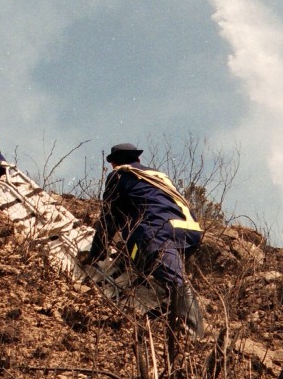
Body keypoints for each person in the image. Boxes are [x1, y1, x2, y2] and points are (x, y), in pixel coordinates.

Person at [84, 143, 204, 339]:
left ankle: (193, 338)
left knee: (175, 281)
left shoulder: (120, 175)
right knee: (146, 260)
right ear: (138, 159)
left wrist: (96, 253)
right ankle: (166, 303)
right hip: (189, 232)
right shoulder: (156, 176)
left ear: (113, 163)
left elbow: (109, 218)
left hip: (158, 232)